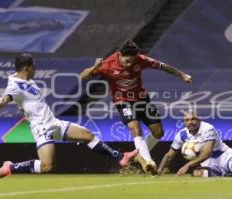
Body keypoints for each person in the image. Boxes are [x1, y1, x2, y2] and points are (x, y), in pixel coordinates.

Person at [0, 53, 138, 178]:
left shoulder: (26, 81)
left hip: (53, 123)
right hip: (41, 128)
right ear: (26, 67)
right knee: (47, 166)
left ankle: (120, 157)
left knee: (87, 135)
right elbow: (6, 97)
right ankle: (10, 167)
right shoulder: (14, 86)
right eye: (33, 65)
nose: (35, 68)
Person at [80, 40, 193, 174]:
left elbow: (163, 66)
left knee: (158, 133)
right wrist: (94, 67)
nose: (130, 64)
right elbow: (83, 76)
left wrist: (182, 75)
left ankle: (139, 155)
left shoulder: (140, 59)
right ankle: (148, 162)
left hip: (142, 99)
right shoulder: (107, 65)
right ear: (120, 55)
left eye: (133, 61)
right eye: (127, 61)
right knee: (135, 128)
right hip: (123, 102)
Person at [157, 111, 232, 177]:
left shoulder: (207, 128)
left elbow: (207, 153)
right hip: (208, 162)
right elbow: (169, 155)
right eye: (187, 120)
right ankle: (227, 175)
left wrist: (187, 165)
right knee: (197, 173)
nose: (190, 122)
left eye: (193, 119)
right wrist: (159, 170)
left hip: (223, 155)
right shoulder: (181, 135)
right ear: (184, 122)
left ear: (199, 120)